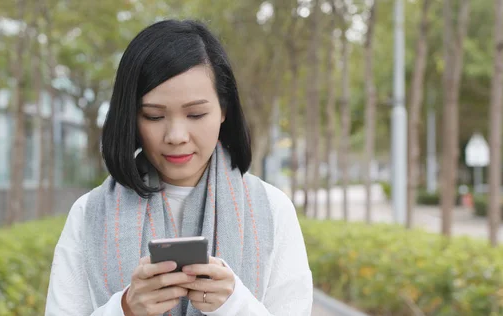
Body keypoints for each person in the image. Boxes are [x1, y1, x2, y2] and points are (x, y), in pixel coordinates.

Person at [44, 19, 313, 316]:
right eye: (154, 116)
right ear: (131, 117)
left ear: (224, 110)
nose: (176, 136)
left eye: (196, 114)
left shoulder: (272, 209)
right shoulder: (89, 214)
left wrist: (235, 304)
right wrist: (125, 309)